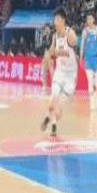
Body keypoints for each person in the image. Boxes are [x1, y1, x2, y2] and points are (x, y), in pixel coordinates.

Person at [41, 8, 78, 137]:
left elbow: (73, 48)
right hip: (60, 72)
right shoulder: (55, 36)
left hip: (70, 76)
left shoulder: (70, 34)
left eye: (56, 20)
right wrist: (47, 56)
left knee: (59, 107)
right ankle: (51, 123)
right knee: (53, 98)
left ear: (62, 20)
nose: (54, 22)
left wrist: (58, 52)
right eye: (54, 20)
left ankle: (52, 119)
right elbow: (52, 51)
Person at [80, 14, 97, 110]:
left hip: (96, 59)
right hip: (88, 59)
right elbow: (82, 45)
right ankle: (92, 103)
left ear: (93, 20)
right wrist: (81, 57)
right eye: (87, 19)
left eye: (90, 19)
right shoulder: (85, 31)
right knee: (90, 80)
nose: (89, 20)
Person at [41, 25, 54, 92]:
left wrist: (50, 55)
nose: (45, 30)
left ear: (49, 29)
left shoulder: (52, 36)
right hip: (45, 54)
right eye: (44, 29)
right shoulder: (44, 37)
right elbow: (43, 46)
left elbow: (52, 46)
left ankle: (53, 85)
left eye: (46, 29)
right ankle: (44, 85)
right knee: (44, 70)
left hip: (50, 54)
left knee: (51, 69)